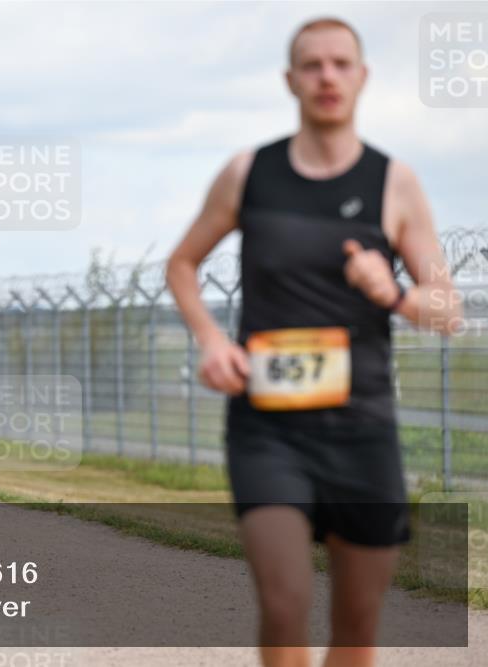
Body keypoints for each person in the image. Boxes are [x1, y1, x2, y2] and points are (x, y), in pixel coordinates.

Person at [166, 17, 463, 667]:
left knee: (356, 624)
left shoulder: (394, 182)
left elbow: (447, 311)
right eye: (312, 65)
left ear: (362, 76)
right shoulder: (249, 173)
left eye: (340, 63)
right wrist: (212, 341)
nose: (327, 76)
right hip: (268, 428)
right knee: (286, 600)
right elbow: (182, 263)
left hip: (362, 427)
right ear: (290, 80)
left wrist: (392, 292)